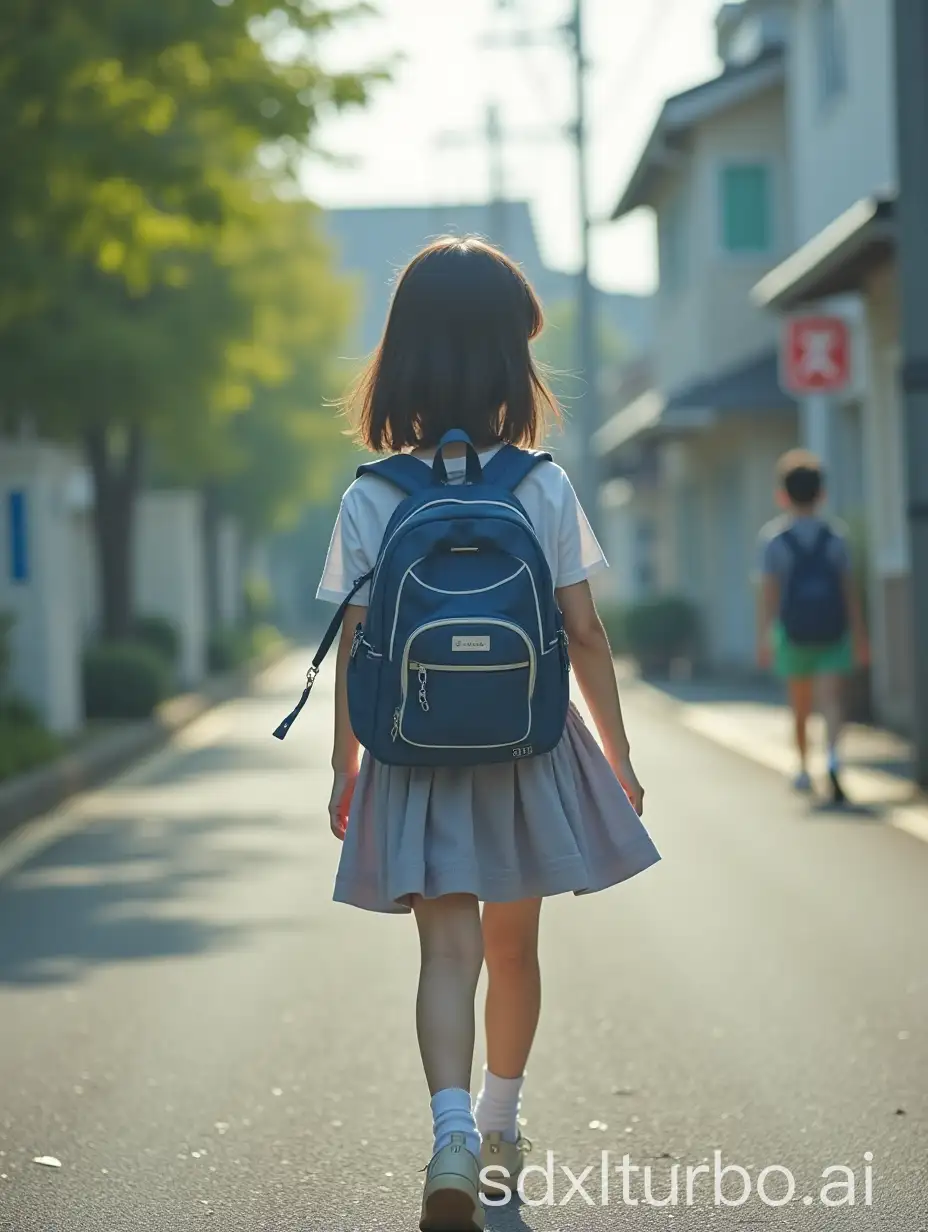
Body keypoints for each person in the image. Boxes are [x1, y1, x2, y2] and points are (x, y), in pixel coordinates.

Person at [316, 237, 661, 1232]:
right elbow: (584, 631)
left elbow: (356, 643)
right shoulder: (539, 485)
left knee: (446, 952)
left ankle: (452, 1131)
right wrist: (621, 758)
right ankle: (505, 1125)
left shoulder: (370, 494)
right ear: (514, 359)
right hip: (527, 750)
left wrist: (343, 765)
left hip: (414, 758)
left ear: (401, 355)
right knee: (515, 950)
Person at [756, 449, 868, 805]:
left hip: (793, 632)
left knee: (800, 703)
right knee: (833, 699)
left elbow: (770, 595)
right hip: (834, 631)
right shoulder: (836, 538)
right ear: (822, 494)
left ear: (782, 495)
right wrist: (860, 634)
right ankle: (833, 759)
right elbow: (849, 591)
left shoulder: (774, 541)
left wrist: (767, 636)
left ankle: (804, 767)